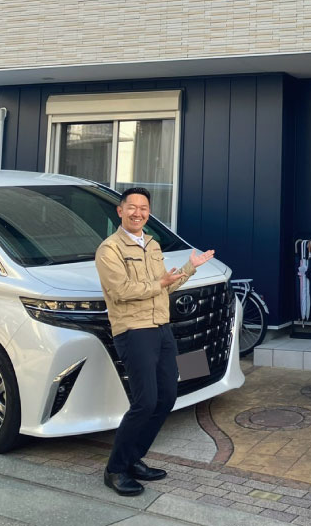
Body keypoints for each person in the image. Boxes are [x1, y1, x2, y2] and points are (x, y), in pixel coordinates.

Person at [95, 187, 214, 496]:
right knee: (145, 401)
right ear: (120, 211)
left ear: (149, 213)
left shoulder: (152, 244)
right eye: (132, 207)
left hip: (161, 328)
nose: (138, 213)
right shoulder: (109, 249)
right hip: (133, 330)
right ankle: (115, 469)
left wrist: (189, 268)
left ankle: (133, 459)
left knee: (167, 397)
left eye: (144, 208)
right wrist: (160, 282)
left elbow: (164, 287)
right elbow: (121, 291)